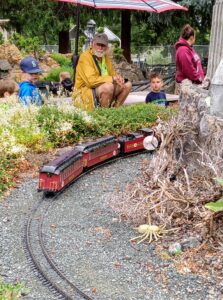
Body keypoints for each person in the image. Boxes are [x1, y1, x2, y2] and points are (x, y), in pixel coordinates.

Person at [73, 33, 132, 111]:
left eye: (103, 45)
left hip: (100, 88)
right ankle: (103, 115)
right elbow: (91, 82)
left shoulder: (105, 57)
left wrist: (118, 78)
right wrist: (112, 79)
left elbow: (112, 74)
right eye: (98, 44)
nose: (100, 48)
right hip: (85, 92)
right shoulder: (85, 57)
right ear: (92, 44)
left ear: (107, 47)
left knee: (127, 85)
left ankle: (114, 111)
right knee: (108, 86)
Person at [175, 24, 204, 92]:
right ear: (191, 37)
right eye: (195, 37)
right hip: (187, 86)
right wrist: (199, 79)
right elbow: (188, 69)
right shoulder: (183, 50)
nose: (195, 39)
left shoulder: (189, 49)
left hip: (194, 84)